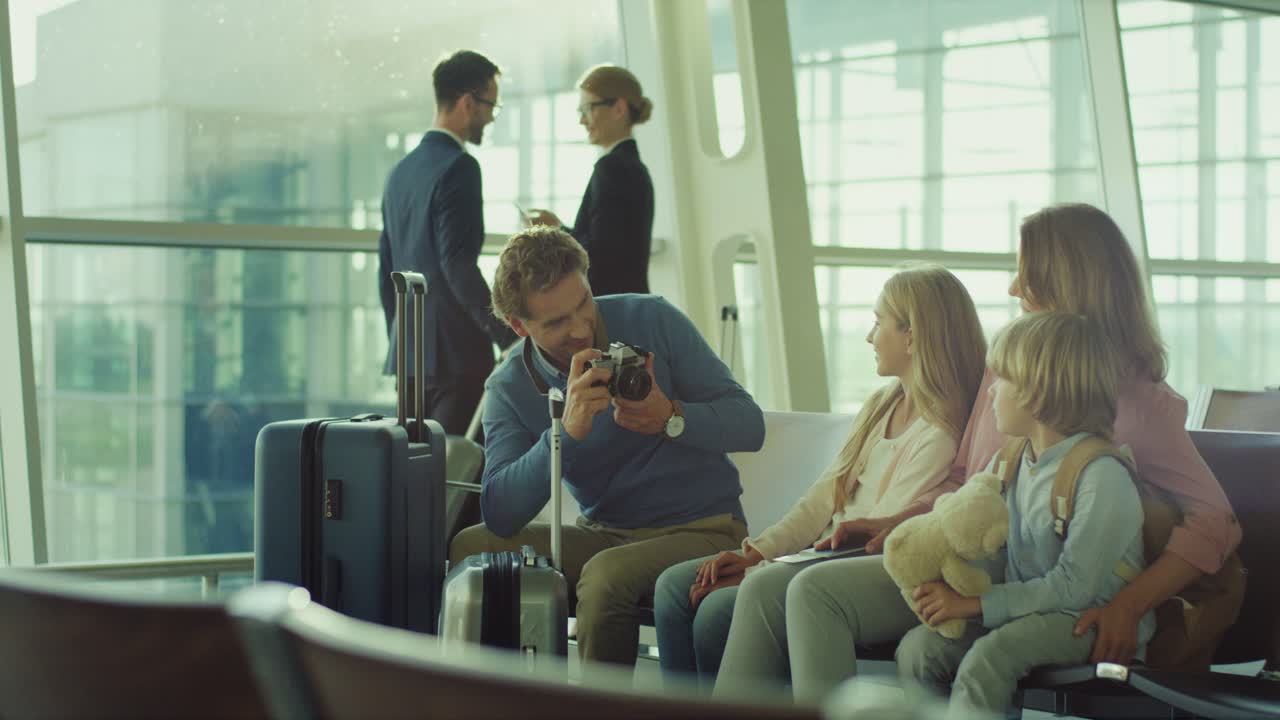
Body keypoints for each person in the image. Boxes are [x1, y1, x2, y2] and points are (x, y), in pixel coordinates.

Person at [756, 203, 1241, 704]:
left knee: (810, 594)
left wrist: (1129, 605)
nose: (1012, 289)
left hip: (1033, 592)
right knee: (770, 594)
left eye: (1025, 274)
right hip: (979, 571)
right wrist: (896, 522)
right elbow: (969, 481)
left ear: (1066, 280)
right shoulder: (1005, 370)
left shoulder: (1142, 406)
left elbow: (1214, 524)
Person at [447, 225, 763, 667]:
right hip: (607, 535)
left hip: (704, 529)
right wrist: (564, 434)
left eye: (583, 304)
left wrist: (671, 416)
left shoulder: (653, 318)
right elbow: (501, 512)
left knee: (604, 576)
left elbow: (751, 425)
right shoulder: (509, 386)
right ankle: (490, 698)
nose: (580, 328)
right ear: (519, 326)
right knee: (469, 547)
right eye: (557, 322)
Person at [675, 266, 984, 690]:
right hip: (816, 559)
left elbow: (869, 541)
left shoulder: (937, 435)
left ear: (911, 337)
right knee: (678, 590)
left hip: (842, 567)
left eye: (878, 323)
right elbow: (822, 498)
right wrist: (755, 554)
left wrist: (758, 570)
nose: (869, 337)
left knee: (717, 611)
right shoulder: (882, 403)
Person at [895, 310, 1155, 717]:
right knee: (918, 650)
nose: (991, 392)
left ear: (1039, 391)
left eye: (1002, 380)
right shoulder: (1011, 460)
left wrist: (975, 605)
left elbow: (1074, 589)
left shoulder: (1101, 475)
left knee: (991, 657)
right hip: (1027, 606)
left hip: (1086, 618)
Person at [377, 50, 517, 542]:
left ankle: (407, 587)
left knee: (417, 481)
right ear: (465, 102)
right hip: (457, 355)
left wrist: (403, 338)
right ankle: (453, 596)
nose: (490, 118)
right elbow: (458, 265)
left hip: (412, 360)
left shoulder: (402, 172)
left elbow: (385, 271)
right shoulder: (460, 167)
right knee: (460, 484)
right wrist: (505, 332)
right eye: (489, 106)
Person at [526, 65, 655, 297]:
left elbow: (599, 255)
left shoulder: (612, 168)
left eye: (587, 109)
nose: (582, 121)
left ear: (618, 108)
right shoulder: (634, 168)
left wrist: (555, 232)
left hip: (610, 305)